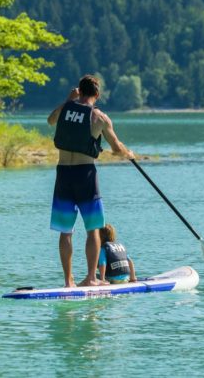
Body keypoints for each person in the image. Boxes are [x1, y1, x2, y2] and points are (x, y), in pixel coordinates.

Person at [47, 74, 134, 287]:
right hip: (85, 175)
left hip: (63, 174)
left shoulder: (65, 108)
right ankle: (90, 278)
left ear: (79, 91)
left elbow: (51, 120)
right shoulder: (100, 118)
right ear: (97, 94)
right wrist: (128, 153)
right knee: (93, 229)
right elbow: (115, 148)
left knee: (65, 231)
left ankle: (68, 281)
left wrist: (68, 100)